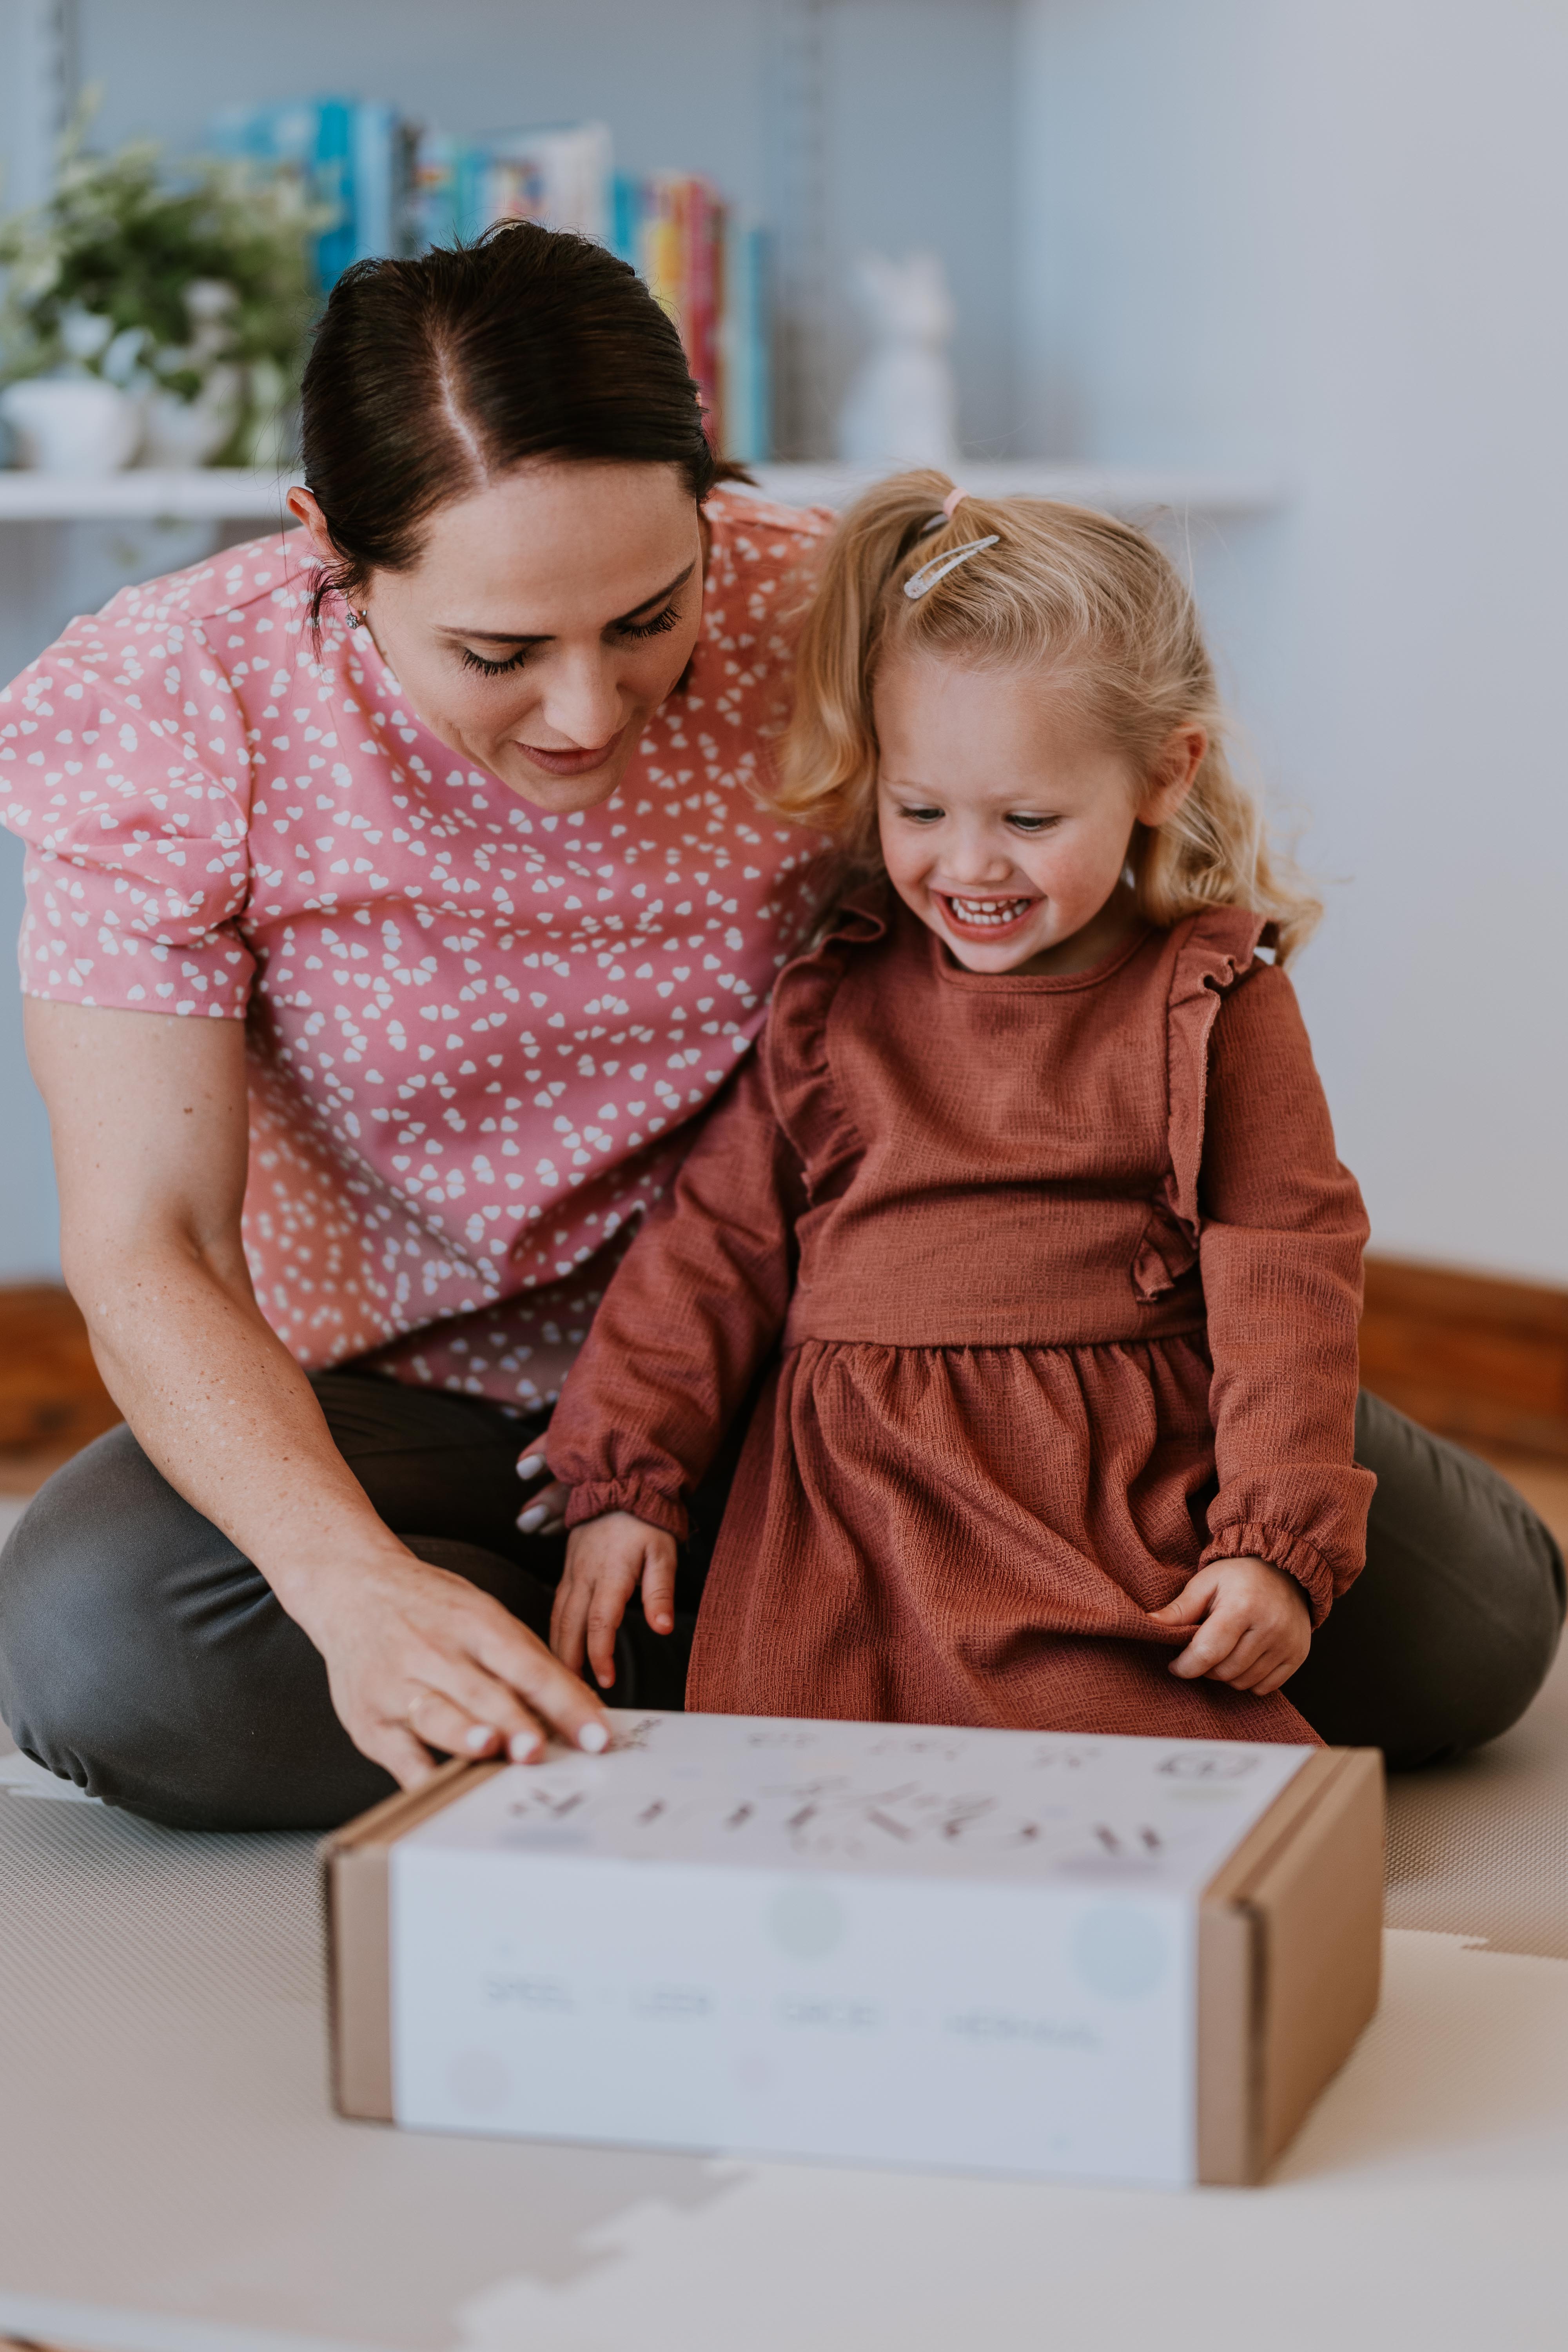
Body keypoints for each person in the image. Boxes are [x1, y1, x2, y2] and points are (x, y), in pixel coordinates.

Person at [0, 234, 1557, 1829]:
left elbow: (1083, 867)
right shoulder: (173, 703)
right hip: (426, 1400)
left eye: (646, 617)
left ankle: (805, 1654)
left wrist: (1247, 1493)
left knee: (1477, 1634)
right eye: (498, 653)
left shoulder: (835, 610)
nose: (587, 712)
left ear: (708, 505)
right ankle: (830, 1653)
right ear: (329, 545)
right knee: (101, 1644)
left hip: (909, 1374)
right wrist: (349, 1587)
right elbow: (152, 1243)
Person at [546, 478, 1563, 1748]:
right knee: (813, 1781)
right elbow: (714, 1248)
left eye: (1029, 820)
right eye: (920, 811)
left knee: (1143, 1781)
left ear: (1164, 774)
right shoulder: (833, 998)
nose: (970, 864)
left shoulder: (1211, 1003)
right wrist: (625, 1477)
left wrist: (1272, 1540)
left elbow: (1287, 1274)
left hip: (1112, 1497)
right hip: (849, 1512)